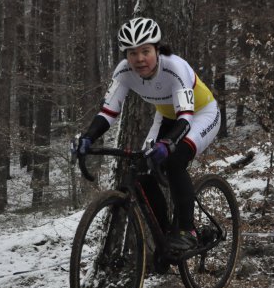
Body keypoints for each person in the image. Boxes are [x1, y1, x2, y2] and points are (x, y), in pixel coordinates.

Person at [77, 17, 221, 253]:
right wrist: (88, 137)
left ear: (157, 49)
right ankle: (166, 240)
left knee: (175, 161)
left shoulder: (174, 68)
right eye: (133, 53)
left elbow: (185, 117)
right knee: (142, 169)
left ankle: (188, 230)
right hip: (167, 117)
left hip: (200, 114)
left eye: (145, 51)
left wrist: (167, 145)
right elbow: (108, 112)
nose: (140, 59)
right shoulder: (124, 72)